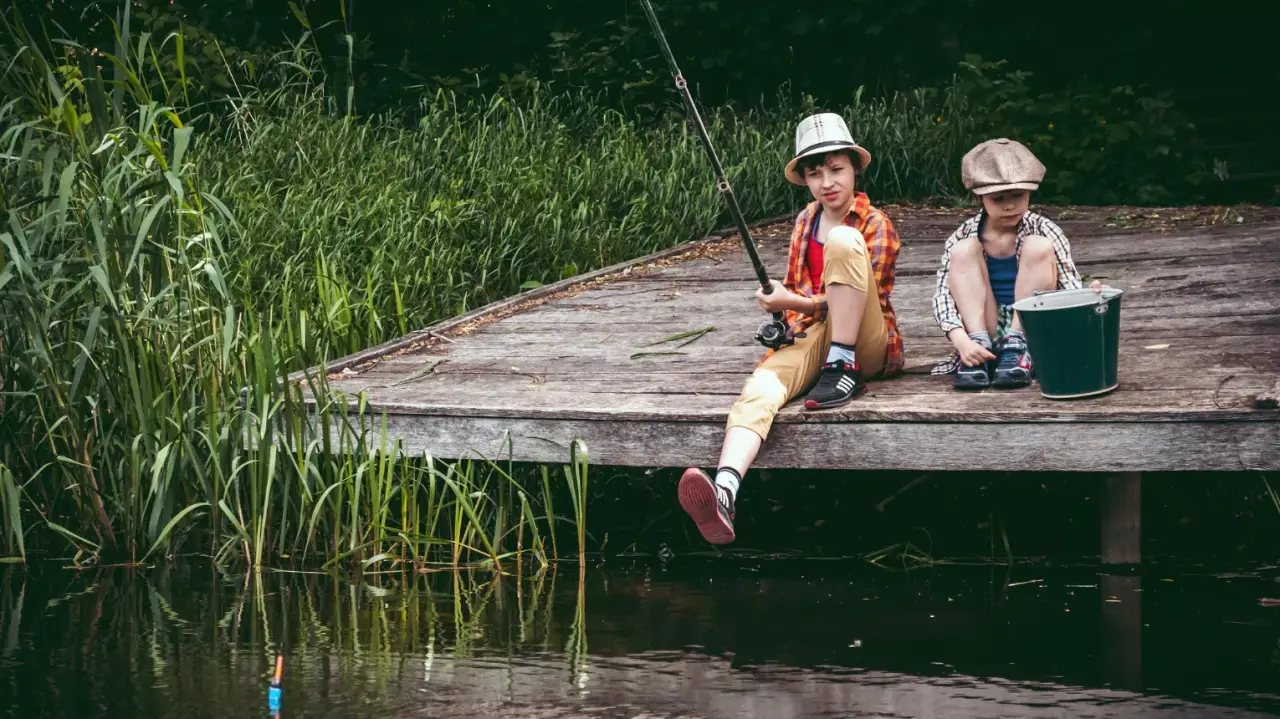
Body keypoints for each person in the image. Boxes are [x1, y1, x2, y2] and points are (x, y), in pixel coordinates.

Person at [677, 112, 903, 545]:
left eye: (836, 170)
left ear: (855, 169)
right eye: (815, 174)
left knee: (842, 243)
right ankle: (726, 491)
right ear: (805, 180)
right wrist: (781, 312)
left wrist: (792, 301)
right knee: (760, 387)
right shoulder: (805, 221)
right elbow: (802, 297)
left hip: (866, 345)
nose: (827, 183)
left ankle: (844, 369)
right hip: (816, 332)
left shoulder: (876, 224)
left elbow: (855, 295)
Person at [930, 138, 1103, 388]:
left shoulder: (1045, 229)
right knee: (963, 250)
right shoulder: (964, 233)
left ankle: (1017, 347)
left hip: (1032, 327)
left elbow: (1069, 284)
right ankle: (980, 348)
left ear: (1029, 193)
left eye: (1017, 196)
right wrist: (961, 340)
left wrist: (1089, 298)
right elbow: (944, 295)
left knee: (1039, 245)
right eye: (998, 198)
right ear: (980, 199)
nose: (1009, 205)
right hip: (983, 323)